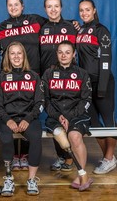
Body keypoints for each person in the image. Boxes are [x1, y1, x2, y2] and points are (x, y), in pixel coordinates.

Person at [0, 0, 47, 170]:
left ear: (23, 5)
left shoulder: (35, 20)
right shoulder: (2, 27)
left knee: (28, 111)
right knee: (13, 106)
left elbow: (55, 22)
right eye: (9, 5)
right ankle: (14, 156)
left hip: (32, 74)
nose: (13, 8)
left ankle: (24, 155)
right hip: (10, 74)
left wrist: (73, 23)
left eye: (16, 4)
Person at [42, 40, 93, 191]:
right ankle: (82, 175)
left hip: (77, 115)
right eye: (60, 52)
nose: (64, 55)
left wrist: (70, 117)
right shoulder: (48, 73)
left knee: (75, 136)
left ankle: (81, 174)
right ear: (56, 54)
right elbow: (45, 101)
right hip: (55, 118)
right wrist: (59, 116)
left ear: (74, 54)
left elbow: (86, 100)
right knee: (63, 138)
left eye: (67, 52)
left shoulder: (82, 74)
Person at [0, 41, 44, 196]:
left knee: (36, 137)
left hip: (28, 118)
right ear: (8, 57)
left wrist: (28, 119)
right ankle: (9, 178)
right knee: (6, 138)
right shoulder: (2, 77)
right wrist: (8, 120)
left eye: (19, 53)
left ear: (24, 56)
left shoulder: (34, 76)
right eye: (12, 53)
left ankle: (31, 179)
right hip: (8, 118)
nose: (16, 56)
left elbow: (40, 103)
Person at [76, 0, 116, 174]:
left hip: (103, 82)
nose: (84, 13)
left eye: (87, 10)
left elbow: (106, 60)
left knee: (108, 122)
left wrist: (102, 85)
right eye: (81, 10)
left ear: (94, 10)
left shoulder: (102, 31)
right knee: (93, 123)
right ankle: (108, 157)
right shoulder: (82, 30)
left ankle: (109, 157)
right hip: (86, 84)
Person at [39, 0, 77, 172]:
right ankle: (62, 156)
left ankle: (70, 158)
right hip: (48, 79)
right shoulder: (41, 28)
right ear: (45, 9)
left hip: (68, 78)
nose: (53, 10)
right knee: (54, 116)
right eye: (49, 6)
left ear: (61, 7)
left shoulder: (71, 27)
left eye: (56, 6)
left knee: (68, 115)